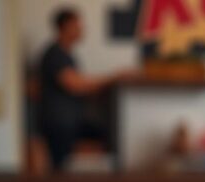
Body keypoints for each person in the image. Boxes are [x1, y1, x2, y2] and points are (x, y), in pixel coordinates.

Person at [38, 7, 134, 172]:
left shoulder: (67, 54)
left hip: (71, 121)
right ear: (64, 27)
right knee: (58, 169)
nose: (81, 29)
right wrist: (114, 77)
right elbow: (75, 84)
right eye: (77, 25)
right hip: (59, 123)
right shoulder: (55, 54)